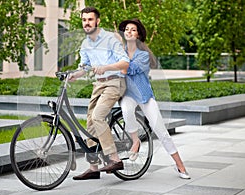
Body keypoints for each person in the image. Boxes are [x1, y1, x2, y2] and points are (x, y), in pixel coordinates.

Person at [118, 18, 191, 179]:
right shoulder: (119, 51)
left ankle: (180, 165)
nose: (129, 31)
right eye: (127, 29)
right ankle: (135, 141)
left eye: (133, 30)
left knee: (161, 131)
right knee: (126, 110)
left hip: (144, 95)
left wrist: (119, 63)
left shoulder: (143, 55)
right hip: (127, 94)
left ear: (138, 35)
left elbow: (131, 68)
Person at [69, 7, 130, 180]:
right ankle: (93, 167)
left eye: (90, 19)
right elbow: (84, 66)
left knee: (98, 117)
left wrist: (106, 67)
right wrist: (74, 74)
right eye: (84, 20)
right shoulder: (85, 44)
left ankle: (114, 158)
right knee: (90, 122)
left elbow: (125, 62)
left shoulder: (110, 39)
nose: (86, 23)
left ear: (97, 21)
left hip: (114, 83)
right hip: (99, 85)